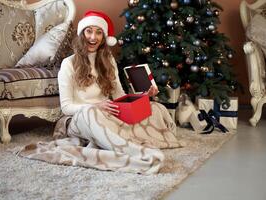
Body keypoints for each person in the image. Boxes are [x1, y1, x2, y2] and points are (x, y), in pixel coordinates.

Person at [17, 10, 182, 174]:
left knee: (155, 108)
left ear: (104, 38)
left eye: (98, 33)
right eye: (89, 31)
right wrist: (97, 106)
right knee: (92, 111)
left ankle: (123, 139)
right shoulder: (68, 64)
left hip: (106, 113)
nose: (93, 37)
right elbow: (66, 107)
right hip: (79, 117)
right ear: (82, 34)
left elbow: (119, 96)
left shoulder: (108, 61)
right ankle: (133, 151)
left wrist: (142, 97)